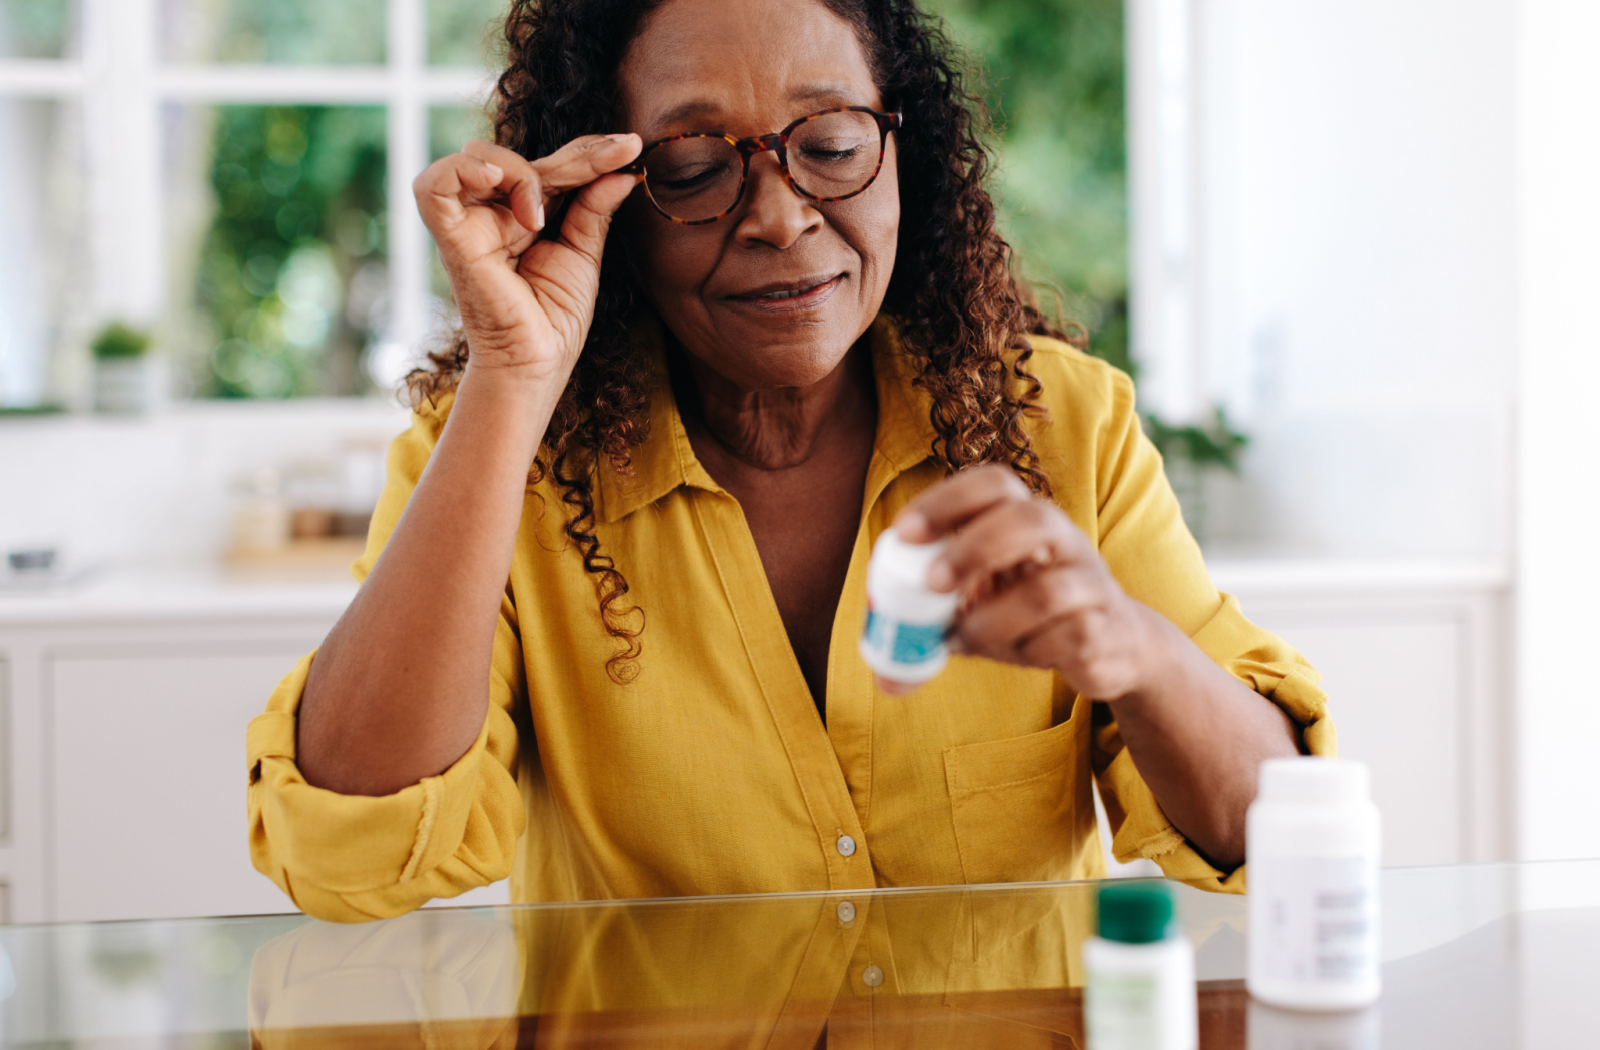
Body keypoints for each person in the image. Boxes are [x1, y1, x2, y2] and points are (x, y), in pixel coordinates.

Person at [248, 0, 1331, 923]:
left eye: (829, 143)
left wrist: (1133, 648)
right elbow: (348, 854)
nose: (778, 216)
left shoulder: (1060, 421)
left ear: (904, 148)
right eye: (690, 164)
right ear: (605, 199)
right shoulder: (498, 453)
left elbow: (1275, 836)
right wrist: (511, 374)